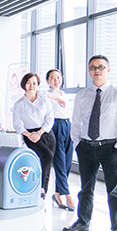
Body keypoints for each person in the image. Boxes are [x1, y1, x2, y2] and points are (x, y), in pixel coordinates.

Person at [64, 55, 117, 231]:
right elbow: (76, 122)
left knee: (114, 190)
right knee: (86, 188)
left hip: (110, 148)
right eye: (93, 67)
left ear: (108, 70)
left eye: (101, 67)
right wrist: (77, 144)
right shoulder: (82, 95)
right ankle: (83, 222)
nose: (97, 70)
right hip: (86, 147)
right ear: (89, 71)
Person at [13, 72, 56, 199]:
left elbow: (50, 119)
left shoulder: (44, 100)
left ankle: (43, 193)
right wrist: (29, 135)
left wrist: (40, 133)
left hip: (46, 133)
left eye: (34, 83)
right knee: (46, 155)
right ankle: (39, 188)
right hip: (30, 135)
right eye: (28, 83)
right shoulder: (19, 103)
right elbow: (16, 124)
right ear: (24, 85)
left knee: (47, 163)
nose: (31, 85)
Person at [45, 69, 75, 211]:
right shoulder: (46, 94)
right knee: (59, 161)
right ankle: (67, 195)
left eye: (58, 77)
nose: (56, 80)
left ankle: (57, 193)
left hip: (67, 125)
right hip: (55, 126)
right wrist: (57, 99)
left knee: (67, 162)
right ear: (48, 81)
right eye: (52, 78)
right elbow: (40, 93)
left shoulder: (64, 94)